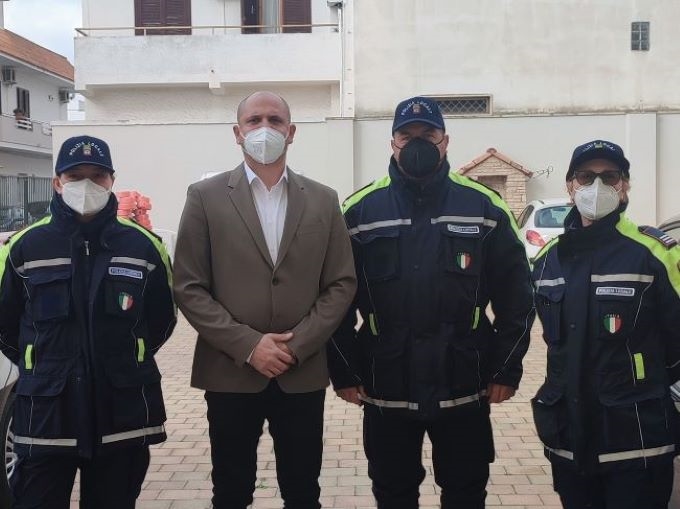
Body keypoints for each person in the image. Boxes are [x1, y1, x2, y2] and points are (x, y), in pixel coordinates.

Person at [327, 96, 535, 509]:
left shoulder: (484, 206)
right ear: (393, 143)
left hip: (465, 384)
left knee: (465, 495)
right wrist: (344, 370)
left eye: (428, 134)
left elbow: (518, 297)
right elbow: (335, 299)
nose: (418, 142)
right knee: (393, 495)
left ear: (445, 141)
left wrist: (505, 368)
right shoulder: (360, 210)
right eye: (407, 135)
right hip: (386, 385)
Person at [173, 91, 356, 509]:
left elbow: (341, 283)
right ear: (237, 133)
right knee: (231, 492)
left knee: (303, 492)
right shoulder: (205, 197)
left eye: (275, 120)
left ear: (291, 132)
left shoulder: (323, 199)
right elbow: (189, 285)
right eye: (254, 120)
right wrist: (249, 345)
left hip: (300, 371)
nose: (265, 128)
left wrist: (296, 346)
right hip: (230, 371)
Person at [0, 135, 177, 509]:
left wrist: (120, 358)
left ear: (112, 180)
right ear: (57, 182)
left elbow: (161, 320)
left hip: (121, 414)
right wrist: (45, 364)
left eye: (97, 176)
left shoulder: (144, 246)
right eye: (75, 176)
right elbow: (6, 326)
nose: (86, 185)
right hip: (47, 417)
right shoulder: (23, 247)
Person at [531, 140, 680, 509]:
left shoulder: (655, 253)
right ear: (571, 186)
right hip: (570, 442)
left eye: (609, 176)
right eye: (586, 176)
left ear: (624, 185)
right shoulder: (549, 260)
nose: (597, 186)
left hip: (637, 441)